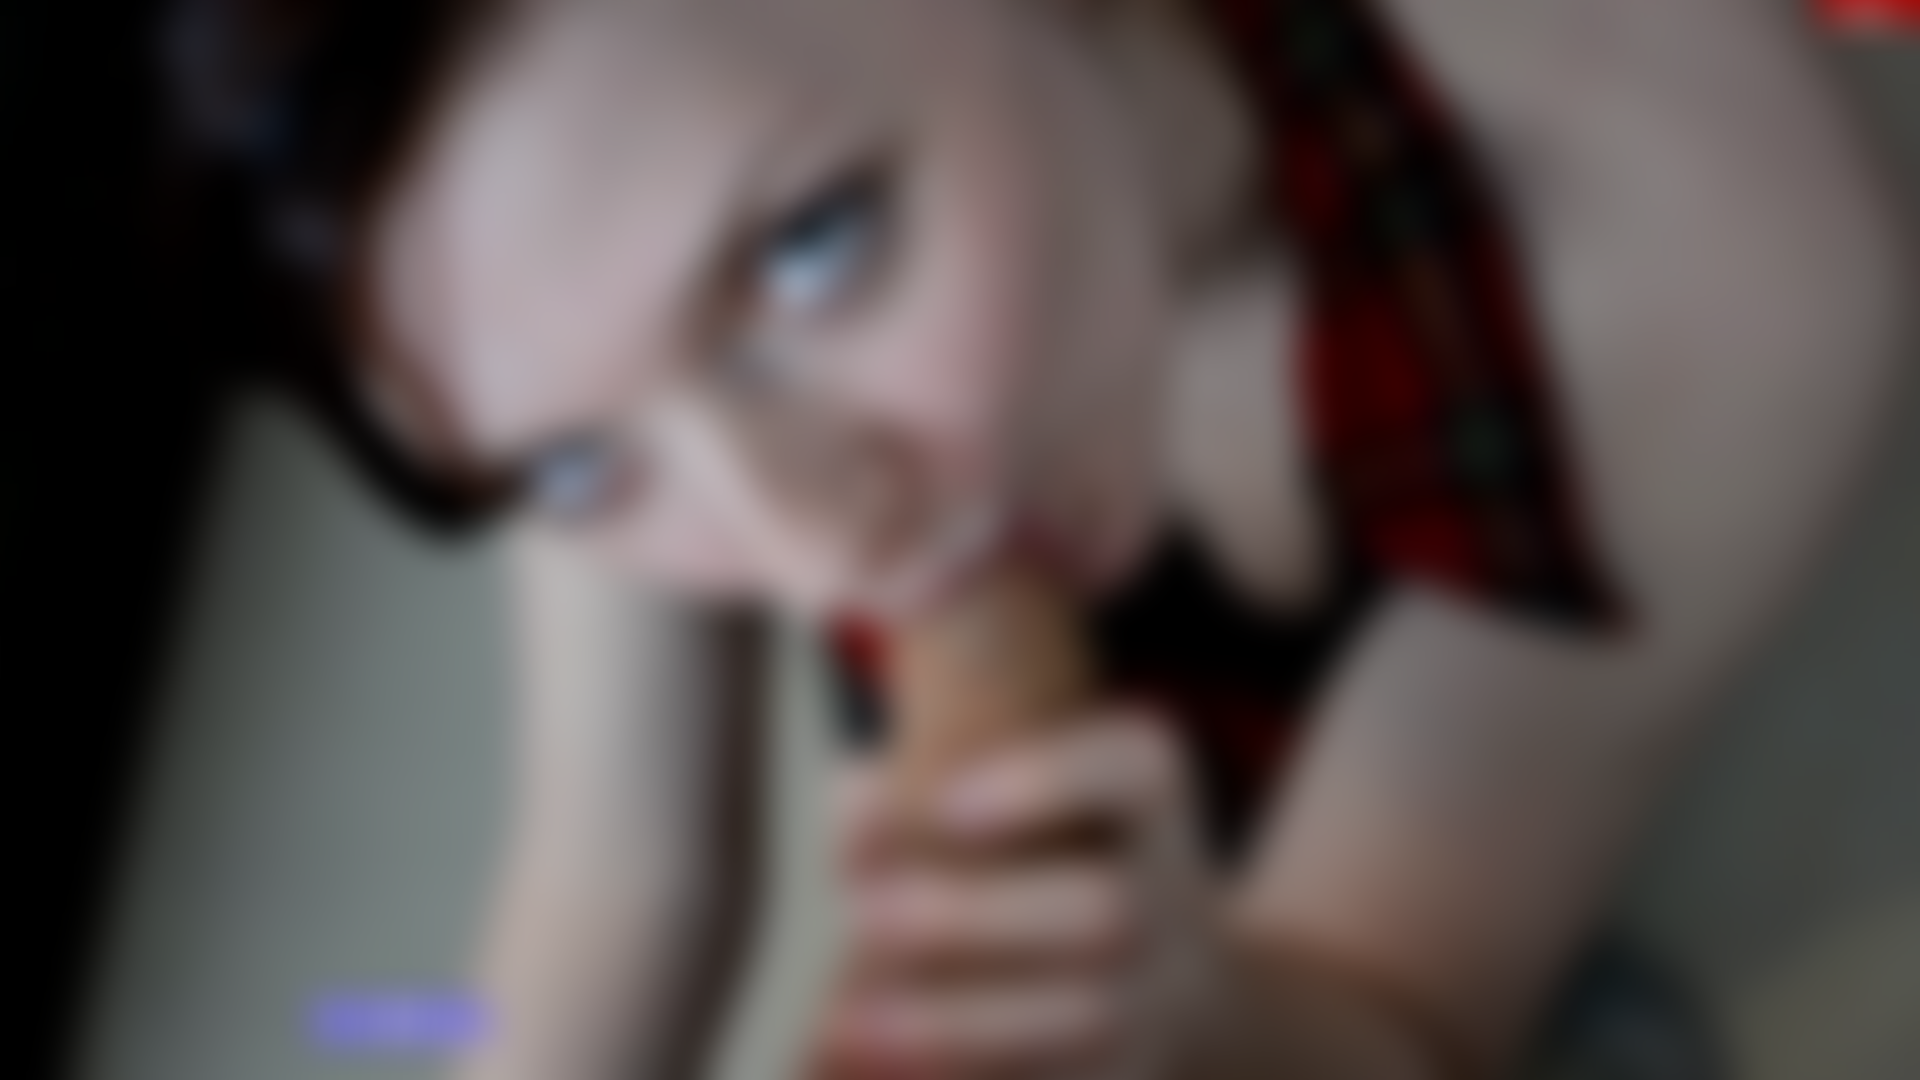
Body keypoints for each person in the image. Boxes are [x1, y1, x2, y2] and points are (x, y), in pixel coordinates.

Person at [154, 1, 1915, 1078]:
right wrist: (415, 1044)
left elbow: (1410, 995)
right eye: (568, 468)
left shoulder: (1705, 258)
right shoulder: (559, 238)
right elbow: (621, 877)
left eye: (815, 244)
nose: (812, 554)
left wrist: (1203, 1028)